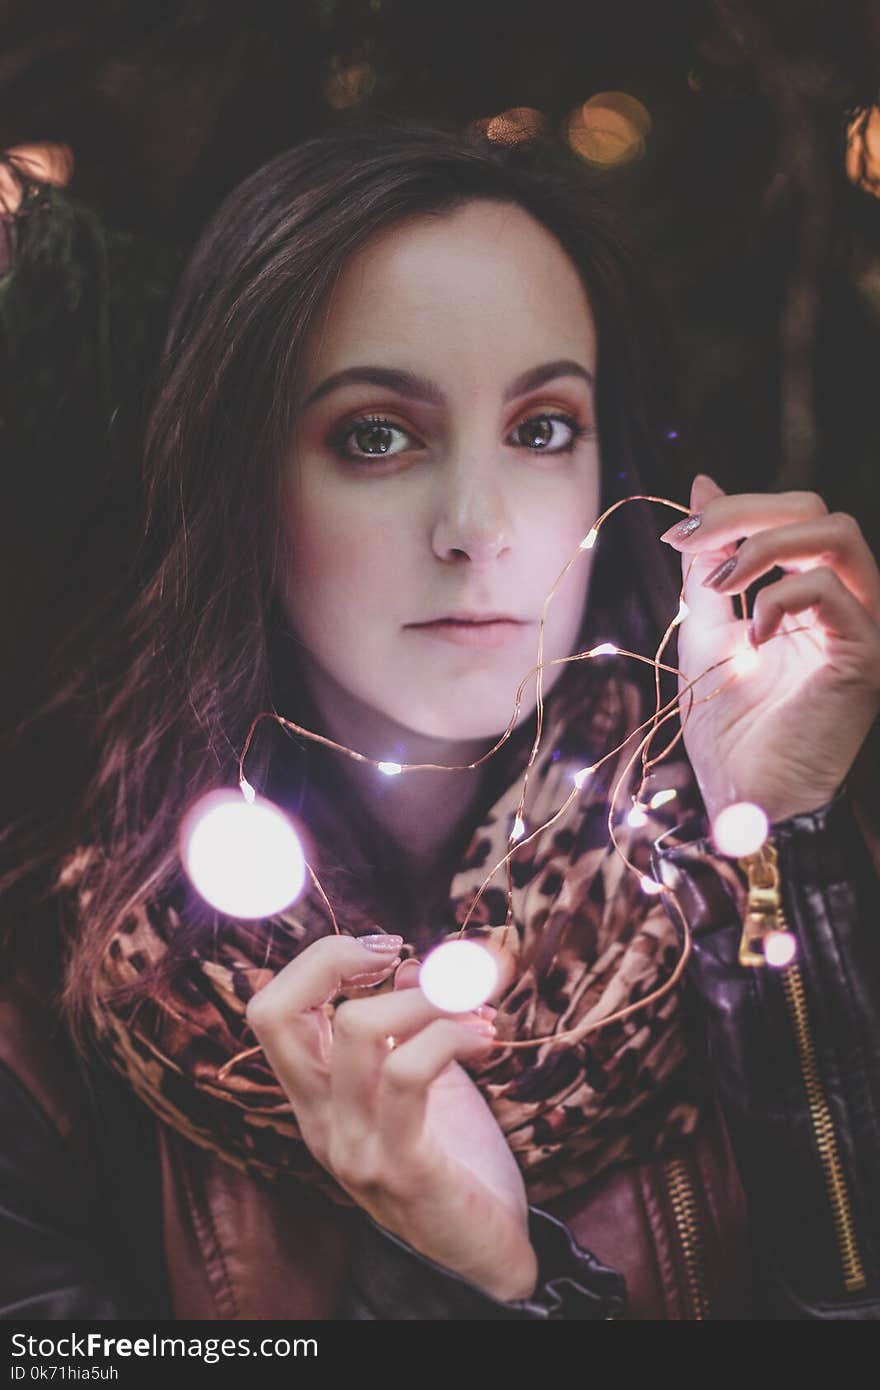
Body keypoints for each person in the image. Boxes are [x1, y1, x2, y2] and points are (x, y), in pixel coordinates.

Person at [1, 118, 879, 1321]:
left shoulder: (751, 871)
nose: (477, 521)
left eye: (540, 428)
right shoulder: (45, 1010)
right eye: (376, 435)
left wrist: (787, 842)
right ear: (241, 476)